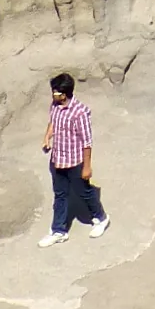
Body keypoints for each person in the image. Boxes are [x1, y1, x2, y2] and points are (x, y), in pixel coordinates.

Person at [39, 72, 110, 245]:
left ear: (64, 94)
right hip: (57, 160)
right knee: (60, 195)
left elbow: (87, 142)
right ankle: (59, 230)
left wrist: (87, 167)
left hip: (75, 162)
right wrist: (47, 137)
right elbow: (53, 122)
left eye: (55, 92)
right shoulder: (55, 106)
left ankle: (101, 218)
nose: (52, 95)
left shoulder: (80, 113)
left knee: (84, 193)